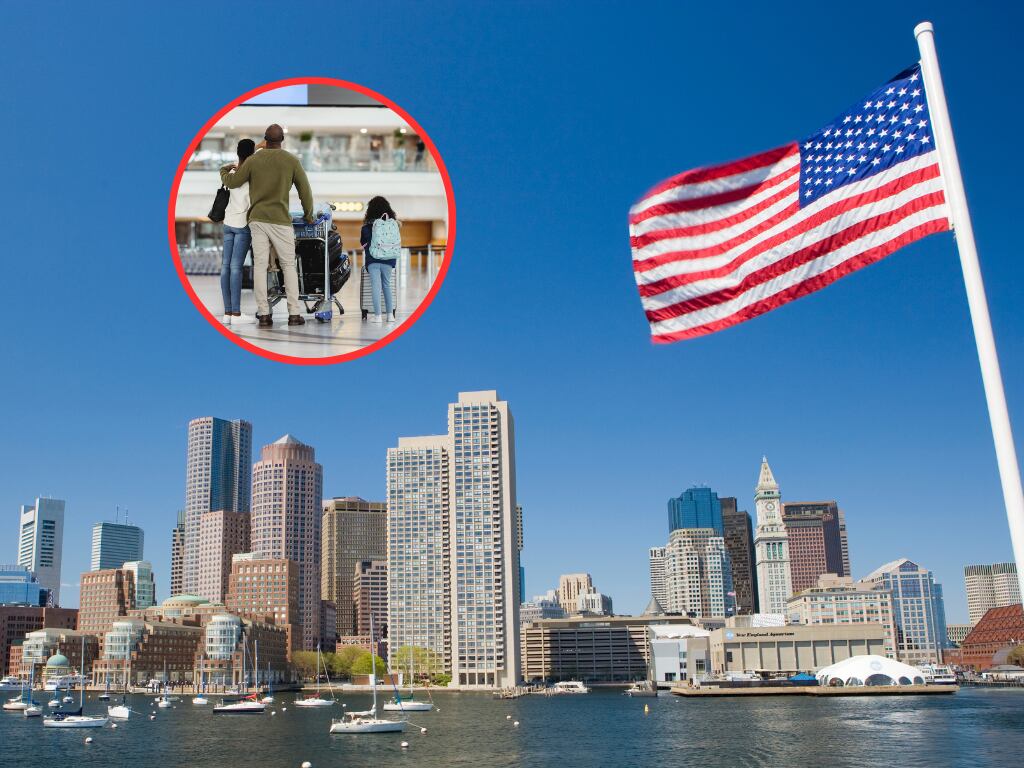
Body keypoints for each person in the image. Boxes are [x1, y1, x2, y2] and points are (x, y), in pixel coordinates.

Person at [221, 123, 313, 328]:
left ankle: (264, 314)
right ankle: (294, 314)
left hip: (257, 220)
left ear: (265, 139)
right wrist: (308, 215)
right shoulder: (292, 161)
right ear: (282, 140)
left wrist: (226, 171)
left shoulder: (253, 160)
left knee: (261, 267)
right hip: (280, 220)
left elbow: (234, 182)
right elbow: (305, 191)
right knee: (288, 265)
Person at [220, 139, 255, 325]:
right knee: (235, 268)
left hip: (228, 223)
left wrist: (229, 166)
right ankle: (236, 314)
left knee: (225, 267)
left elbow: (223, 171)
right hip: (242, 226)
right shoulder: (251, 175)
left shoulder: (231, 172)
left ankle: (227, 313)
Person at [361, 196, 400, 323]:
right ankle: (390, 315)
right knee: (387, 285)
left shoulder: (367, 227)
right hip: (389, 259)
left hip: (373, 259)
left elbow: (364, 243)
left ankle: (377, 316)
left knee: (376, 286)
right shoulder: (392, 225)